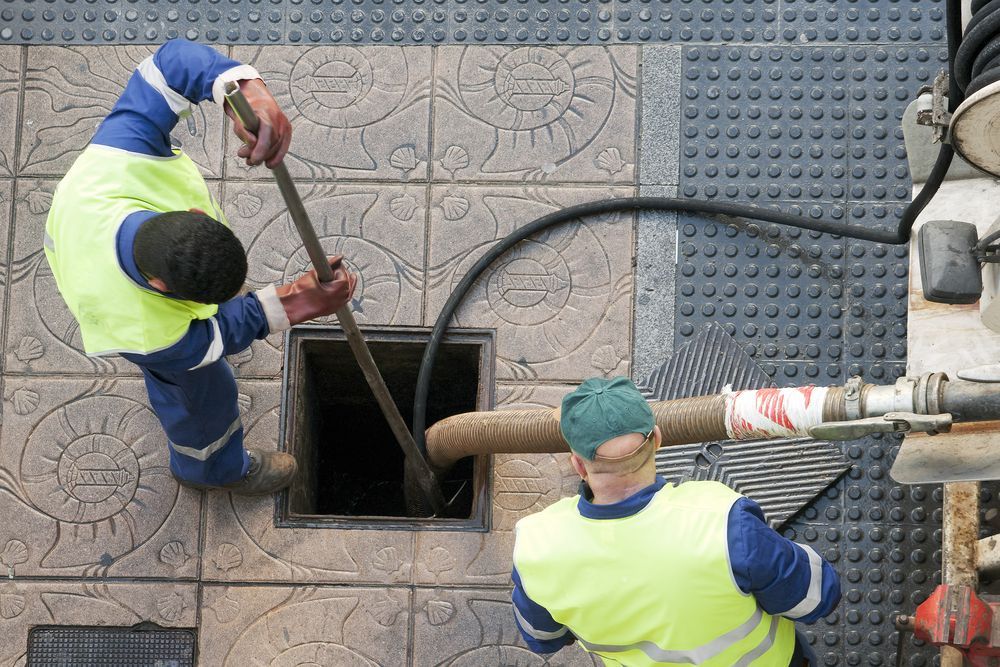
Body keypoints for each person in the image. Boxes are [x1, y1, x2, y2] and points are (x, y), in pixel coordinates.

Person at [44, 39, 356, 495]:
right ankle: (210, 469)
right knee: (202, 397)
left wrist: (244, 91)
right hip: (116, 302)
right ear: (158, 285)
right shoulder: (146, 331)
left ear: (191, 216)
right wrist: (290, 305)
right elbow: (208, 339)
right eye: (201, 301)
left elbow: (169, 64)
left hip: (91, 225)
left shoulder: (122, 156)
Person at [511, 377, 842, 666]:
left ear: (578, 466)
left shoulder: (536, 546)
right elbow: (816, 598)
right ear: (656, 439)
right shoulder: (722, 522)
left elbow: (544, 638)